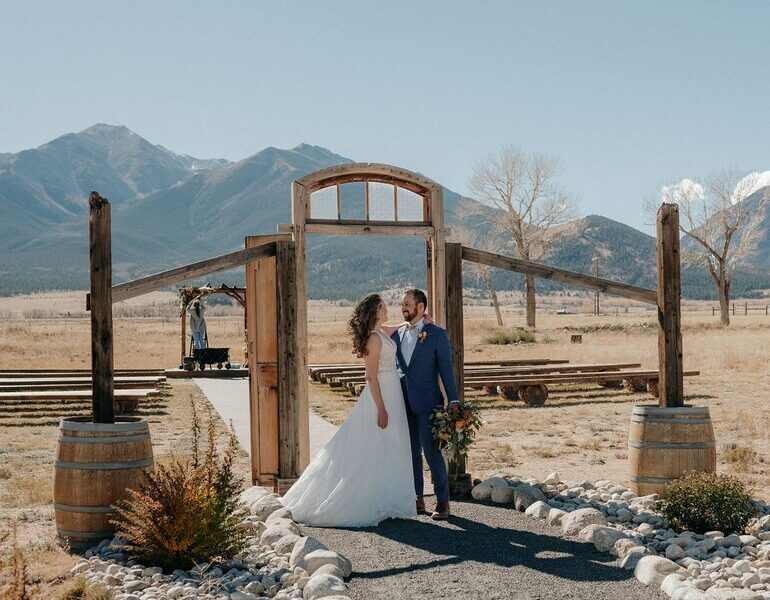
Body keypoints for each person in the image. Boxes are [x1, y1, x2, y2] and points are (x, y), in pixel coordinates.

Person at [281, 293, 421, 527]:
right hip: (381, 396)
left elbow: (394, 328)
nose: (388, 310)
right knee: (370, 446)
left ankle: (386, 499)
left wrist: (409, 323)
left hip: (392, 394)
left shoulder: (381, 333)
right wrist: (381, 409)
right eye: (384, 307)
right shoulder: (373, 340)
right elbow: (371, 377)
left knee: (390, 445)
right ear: (376, 311)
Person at [392, 289, 460, 520]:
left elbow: (446, 370)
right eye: (402, 304)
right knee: (410, 453)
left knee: (432, 452)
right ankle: (417, 498)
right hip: (403, 403)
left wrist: (453, 399)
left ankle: (442, 501)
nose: (403, 308)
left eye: (407, 304)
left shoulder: (437, 335)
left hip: (429, 403)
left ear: (420, 307)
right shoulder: (397, 335)